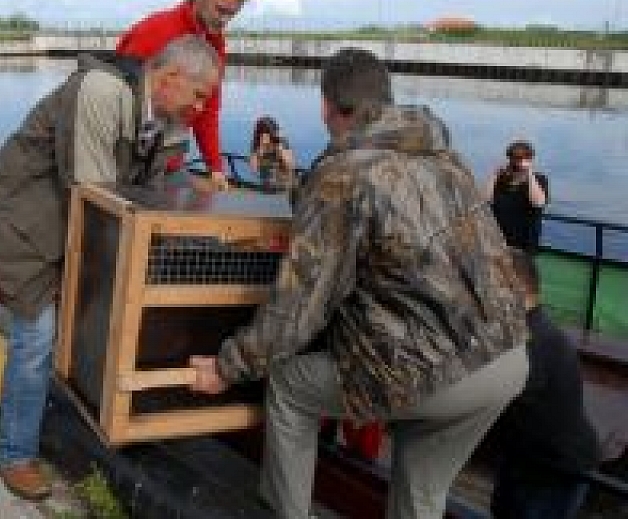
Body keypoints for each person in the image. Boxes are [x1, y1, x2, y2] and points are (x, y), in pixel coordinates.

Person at [189, 48, 530, 519]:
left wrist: (226, 367)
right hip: (507, 359)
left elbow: (298, 311)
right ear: (386, 99)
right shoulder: (446, 159)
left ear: (328, 107)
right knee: (421, 493)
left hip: (429, 372)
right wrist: (301, 189)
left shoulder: (344, 174)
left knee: (289, 384)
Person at [0, 35, 221, 501]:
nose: (202, 109)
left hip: (65, 233)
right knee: (37, 337)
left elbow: (152, 196)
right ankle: (13, 454)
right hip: (16, 225)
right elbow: (95, 197)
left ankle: (93, 412)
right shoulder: (101, 91)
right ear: (170, 76)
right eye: (199, 95)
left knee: (84, 321)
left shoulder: (165, 121)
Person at [116, 0, 250, 190]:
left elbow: (207, 109)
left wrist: (215, 167)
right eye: (221, 10)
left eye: (232, 14)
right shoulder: (153, 31)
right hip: (126, 157)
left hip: (168, 159)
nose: (225, 21)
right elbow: (117, 96)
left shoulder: (216, 44)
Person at [489, 249, 602, 519]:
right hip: (526, 458)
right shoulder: (528, 331)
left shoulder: (535, 342)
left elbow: (491, 396)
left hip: (553, 470)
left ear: (514, 288)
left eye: (490, 284)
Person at [485, 139, 549, 253]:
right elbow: (485, 200)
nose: (516, 164)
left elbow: (538, 203)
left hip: (525, 242)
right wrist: (494, 175)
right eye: (514, 159)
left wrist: (529, 173)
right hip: (498, 238)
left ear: (530, 160)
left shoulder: (539, 180)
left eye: (521, 159)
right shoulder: (501, 180)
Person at [249, 115, 295, 191]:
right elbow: (254, 169)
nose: (264, 135)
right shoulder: (257, 145)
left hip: (284, 187)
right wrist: (261, 149)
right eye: (261, 132)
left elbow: (290, 165)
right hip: (266, 187)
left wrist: (279, 149)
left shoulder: (281, 142)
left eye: (267, 132)